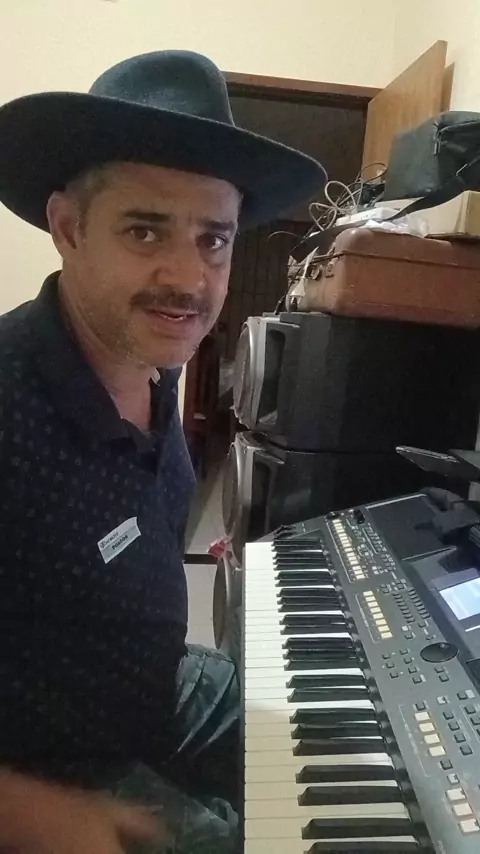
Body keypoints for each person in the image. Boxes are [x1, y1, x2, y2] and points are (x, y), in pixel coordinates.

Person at [0, 50, 326, 852]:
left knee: (337, 734)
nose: (188, 278)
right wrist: (37, 815)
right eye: (145, 229)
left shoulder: (152, 364)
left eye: (214, 239)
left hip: (156, 686)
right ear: (68, 229)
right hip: (57, 766)